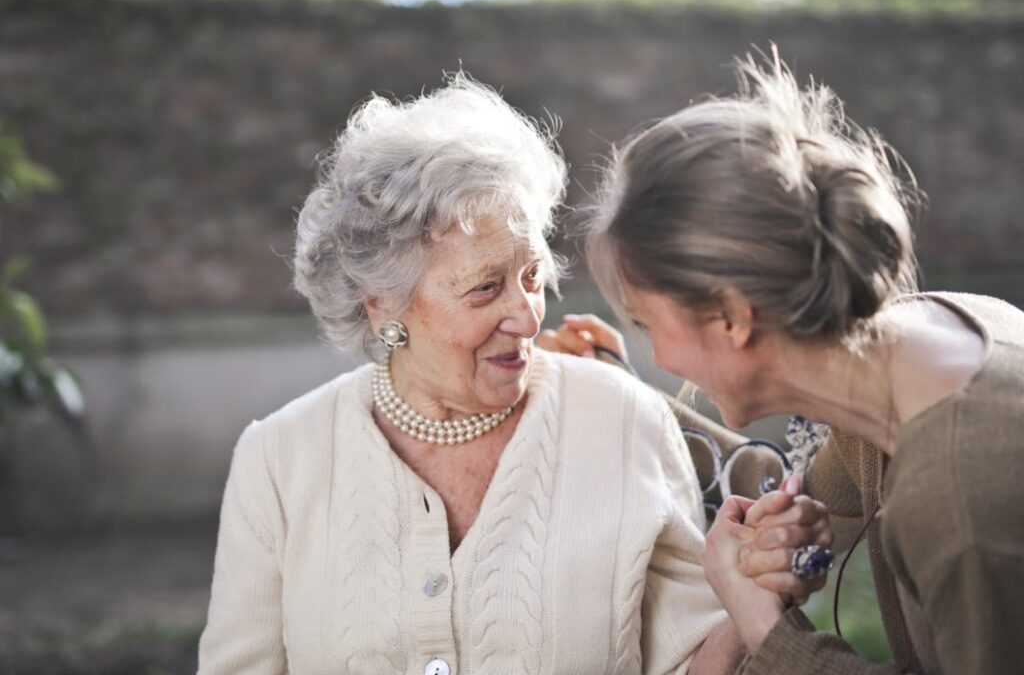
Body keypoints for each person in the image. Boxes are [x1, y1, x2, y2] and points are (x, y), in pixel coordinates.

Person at [197, 73, 826, 675]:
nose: (527, 318)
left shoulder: (622, 418)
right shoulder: (278, 460)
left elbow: (691, 665)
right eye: (485, 288)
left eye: (531, 277)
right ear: (381, 303)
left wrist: (751, 598)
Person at [581, 50, 1024, 674]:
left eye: (649, 324)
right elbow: (799, 509)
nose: (661, 356)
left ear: (731, 316)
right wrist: (788, 540)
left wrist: (768, 627)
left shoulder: (957, 495)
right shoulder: (922, 342)